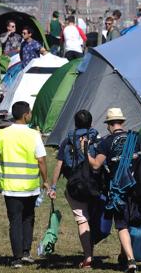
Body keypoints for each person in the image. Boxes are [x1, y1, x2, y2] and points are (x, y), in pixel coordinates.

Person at [87, 108, 141, 273]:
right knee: (131, 223)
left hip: (117, 190)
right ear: (122, 122)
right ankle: (125, 257)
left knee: (122, 225)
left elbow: (95, 165)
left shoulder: (106, 142)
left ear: (108, 125)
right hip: (136, 186)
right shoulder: (135, 137)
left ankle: (130, 260)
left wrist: (85, 152)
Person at [0, 101, 49, 268]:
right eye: (30, 112)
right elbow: (41, 160)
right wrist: (45, 180)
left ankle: (16, 258)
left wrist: (1, 168)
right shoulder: (34, 134)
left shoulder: (2, 134)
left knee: (15, 220)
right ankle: (25, 252)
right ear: (26, 115)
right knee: (28, 218)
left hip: (10, 185)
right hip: (30, 186)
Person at [48, 109, 99, 269]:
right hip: (94, 185)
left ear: (75, 123)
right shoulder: (96, 140)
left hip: (75, 186)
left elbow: (59, 165)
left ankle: (88, 257)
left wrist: (53, 186)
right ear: (91, 123)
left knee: (82, 220)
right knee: (94, 219)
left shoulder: (67, 141)